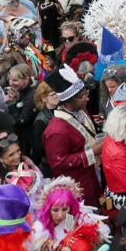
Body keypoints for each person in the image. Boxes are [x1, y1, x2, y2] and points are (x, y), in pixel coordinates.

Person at [42, 65, 102, 207]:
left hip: (93, 174)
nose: (87, 98)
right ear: (68, 100)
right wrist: (91, 153)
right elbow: (58, 163)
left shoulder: (80, 110)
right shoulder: (56, 131)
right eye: (82, 97)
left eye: (86, 93)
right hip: (79, 185)